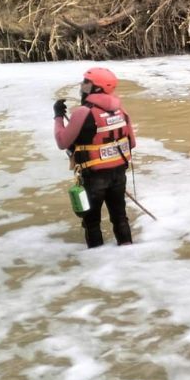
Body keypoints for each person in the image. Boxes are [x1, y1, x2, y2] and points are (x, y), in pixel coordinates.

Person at [54, 67, 137, 248]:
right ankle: (128, 252)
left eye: (86, 82)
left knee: (91, 223)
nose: (82, 85)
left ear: (97, 88)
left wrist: (58, 116)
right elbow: (132, 143)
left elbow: (61, 142)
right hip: (118, 176)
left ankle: (96, 261)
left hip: (94, 178)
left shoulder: (83, 112)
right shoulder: (121, 111)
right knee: (120, 218)